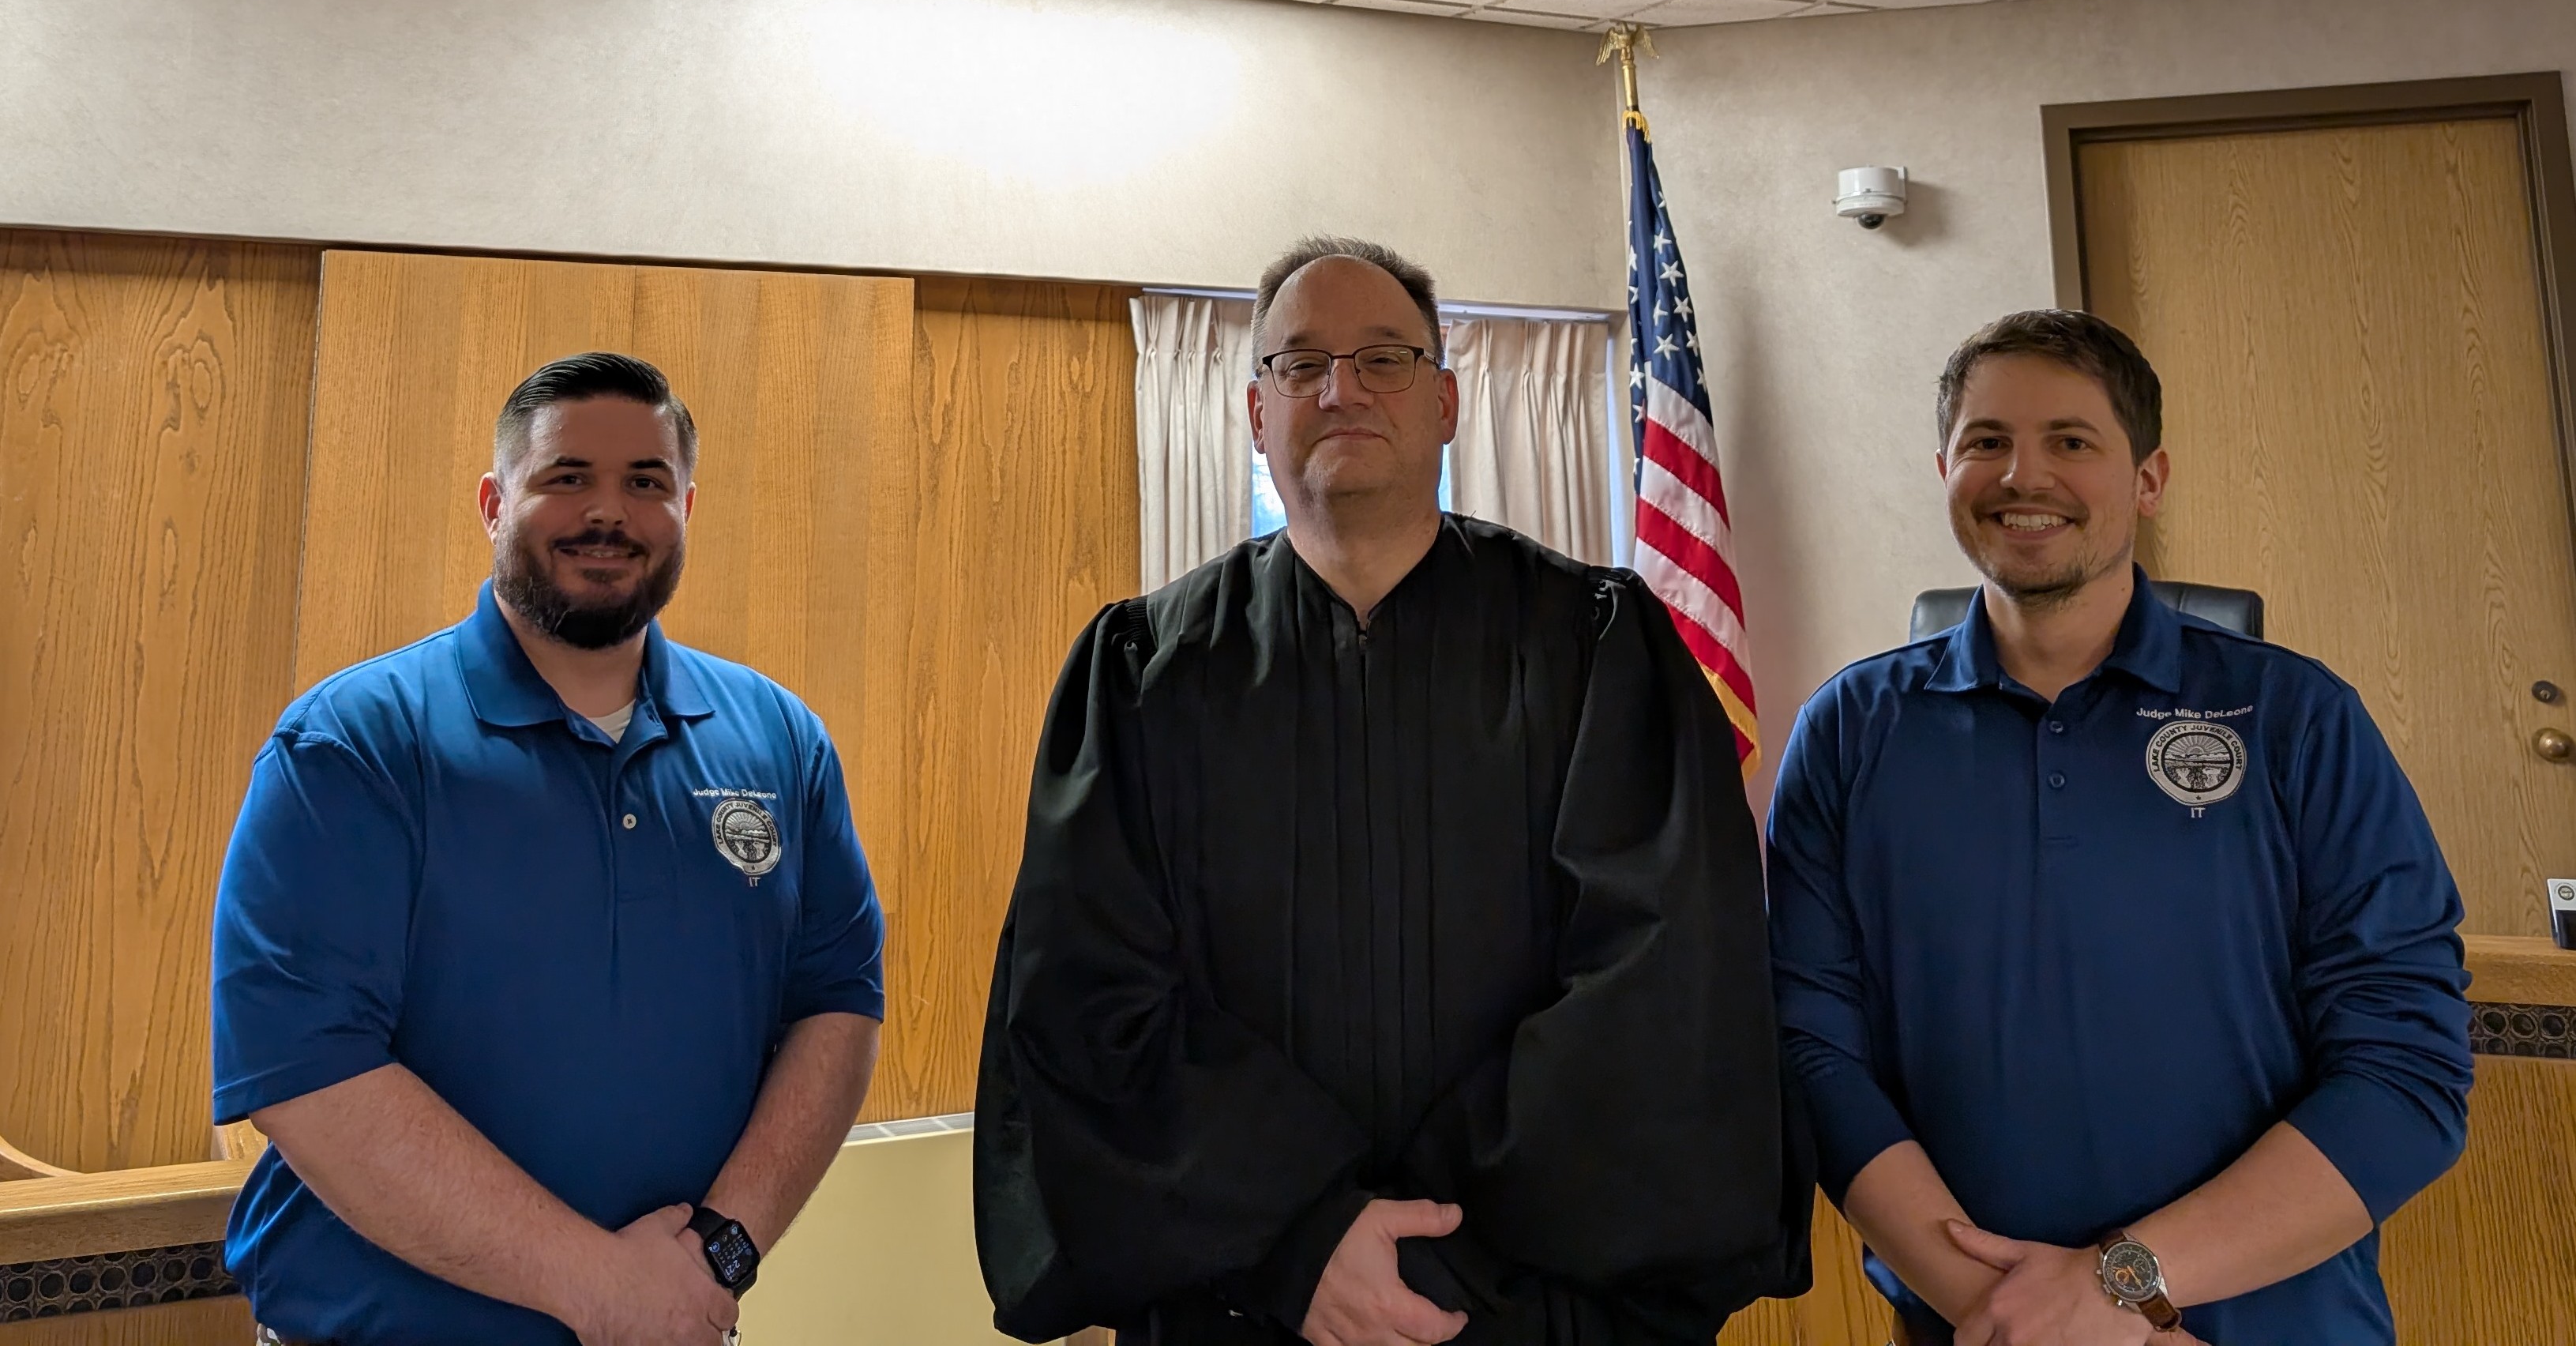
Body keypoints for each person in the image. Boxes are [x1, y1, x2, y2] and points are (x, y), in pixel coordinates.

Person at [974, 238, 1807, 1346]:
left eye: (1383, 357)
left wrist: (1431, 1243)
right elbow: (1086, 989)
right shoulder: (1138, 672)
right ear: (1255, 412)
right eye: (1299, 363)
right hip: (1244, 1295)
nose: (1340, 388)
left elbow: (1663, 979)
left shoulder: (1599, 646)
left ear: (1449, 400)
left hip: (1536, 1298)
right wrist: (1302, 1238)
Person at [1766, 310, 2472, 1345]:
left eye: (2070, 440)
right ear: (1943, 467)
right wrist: (2012, 1312)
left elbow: (2405, 1071)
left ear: (2147, 477)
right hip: (1977, 1325)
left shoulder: (2295, 716)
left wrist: (2120, 1289)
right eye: (1986, 441)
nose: (2022, 473)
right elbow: (1812, 1050)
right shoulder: (1849, 730)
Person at [211, 352, 887, 1345]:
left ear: (687, 505)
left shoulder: (780, 738)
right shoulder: (356, 744)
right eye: (566, 476)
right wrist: (597, 1284)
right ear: (494, 501)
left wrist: (719, 1253)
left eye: (645, 482)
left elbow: (838, 1000)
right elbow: (305, 1072)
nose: (606, 512)